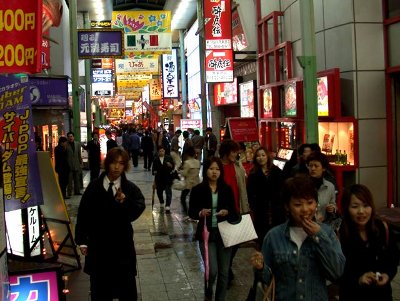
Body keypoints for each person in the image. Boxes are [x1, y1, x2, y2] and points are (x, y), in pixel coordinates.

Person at [251, 175, 345, 301]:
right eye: (298, 204)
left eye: (310, 202)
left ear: (316, 203)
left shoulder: (327, 232)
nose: (305, 209)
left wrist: (318, 236)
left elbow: (337, 272)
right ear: (287, 206)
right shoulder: (273, 236)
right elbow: (267, 280)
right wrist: (260, 268)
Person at [75, 148, 145, 301]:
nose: (116, 167)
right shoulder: (94, 187)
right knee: (100, 291)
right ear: (107, 164)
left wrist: (125, 201)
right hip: (99, 247)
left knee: (126, 290)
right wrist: (82, 241)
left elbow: (137, 210)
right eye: (113, 163)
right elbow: (84, 214)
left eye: (121, 163)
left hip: (122, 247)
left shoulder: (130, 188)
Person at [188, 157, 239, 301]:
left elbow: (234, 211)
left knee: (224, 272)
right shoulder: (198, 189)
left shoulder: (226, 189)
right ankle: (209, 290)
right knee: (212, 271)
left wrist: (227, 212)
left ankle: (220, 298)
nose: (214, 172)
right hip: (207, 234)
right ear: (206, 171)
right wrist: (200, 213)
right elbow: (191, 211)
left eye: (217, 169)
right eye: (211, 169)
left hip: (225, 234)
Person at [339, 184, 399, 301]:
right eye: (355, 206)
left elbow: (393, 258)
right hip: (352, 295)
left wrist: (387, 275)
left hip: (382, 295)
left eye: (366, 205)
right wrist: (358, 279)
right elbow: (337, 271)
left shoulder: (383, 228)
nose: (361, 211)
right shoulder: (340, 234)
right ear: (346, 208)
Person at [219, 139, 250, 284]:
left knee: (236, 241)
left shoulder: (237, 166)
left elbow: (242, 186)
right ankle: (225, 270)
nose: (236, 154)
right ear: (226, 152)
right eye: (233, 151)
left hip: (237, 208)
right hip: (221, 210)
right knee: (225, 242)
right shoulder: (217, 166)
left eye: (237, 151)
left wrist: (245, 208)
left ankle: (227, 266)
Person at [247, 147, 284, 248]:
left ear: (267, 156)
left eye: (263, 155)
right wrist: (253, 205)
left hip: (276, 208)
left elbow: (282, 189)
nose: (261, 158)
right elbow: (250, 192)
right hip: (260, 209)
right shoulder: (253, 174)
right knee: (263, 236)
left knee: (277, 236)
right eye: (258, 156)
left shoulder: (277, 171)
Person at [306, 152, 336, 223]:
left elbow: (333, 204)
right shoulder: (303, 185)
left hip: (323, 225)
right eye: (310, 166)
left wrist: (332, 208)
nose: (313, 168)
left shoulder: (330, 186)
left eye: (316, 166)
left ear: (323, 168)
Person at [152, 145, 175, 213]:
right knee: (159, 192)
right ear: (158, 152)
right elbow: (153, 170)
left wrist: (170, 165)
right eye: (160, 151)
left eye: (163, 151)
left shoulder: (169, 158)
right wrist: (154, 171)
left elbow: (173, 166)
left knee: (168, 192)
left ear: (164, 151)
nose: (162, 152)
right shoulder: (156, 159)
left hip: (167, 178)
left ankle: (167, 205)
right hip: (159, 179)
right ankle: (161, 202)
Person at [179, 146, 200, 215]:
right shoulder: (198, 162)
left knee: (183, 198)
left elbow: (184, 174)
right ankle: (195, 211)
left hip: (189, 183)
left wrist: (179, 172)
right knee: (195, 199)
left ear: (187, 154)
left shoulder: (187, 163)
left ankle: (186, 212)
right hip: (196, 183)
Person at [66, 131, 83, 196]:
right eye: (69, 137)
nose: (70, 138)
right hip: (69, 165)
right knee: (69, 180)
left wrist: (81, 163)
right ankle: (69, 192)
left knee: (77, 179)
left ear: (73, 137)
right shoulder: (66, 145)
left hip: (76, 164)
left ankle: (77, 191)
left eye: (71, 136)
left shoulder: (77, 144)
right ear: (67, 137)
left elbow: (79, 154)